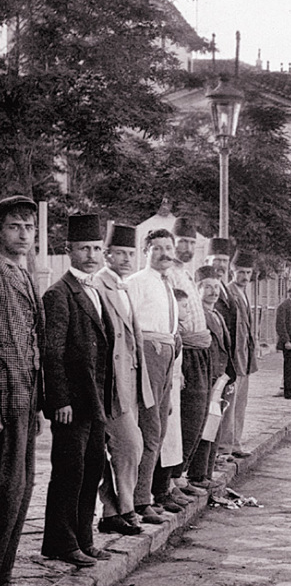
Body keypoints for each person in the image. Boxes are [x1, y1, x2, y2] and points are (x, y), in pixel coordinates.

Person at [41, 214, 115, 568]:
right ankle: (60, 541)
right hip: (73, 404)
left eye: (96, 248)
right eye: (84, 248)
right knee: (69, 472)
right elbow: (52, 351)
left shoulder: (95, 290)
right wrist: (60, 400)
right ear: (69, 251)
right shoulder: (59, 294)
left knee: (92, 470)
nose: (91, 254)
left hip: (96, 402)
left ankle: (83, 538)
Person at [93, 224, 151, 536]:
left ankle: (111, 512)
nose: (127, 259)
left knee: (124, 447)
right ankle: (124, 507)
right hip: (109, 384)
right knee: (129, 445)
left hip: (130, 383)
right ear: (108, 254)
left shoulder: (124, 286)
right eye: (120, 253)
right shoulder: (100, 285)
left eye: (131, 254)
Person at [0, 196, 45, 584]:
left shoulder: (24, 274)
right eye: (15, 226)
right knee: (6, 490)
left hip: (25, 398)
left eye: (29, 227)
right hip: (5, 399)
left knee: (22, 487)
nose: (24, 234)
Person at [125, 228, 180, 525]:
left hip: (167, 356)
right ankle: (139, 500)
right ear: (146, 251)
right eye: (156, 248)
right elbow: (128, 326)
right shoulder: (137, 283)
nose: (163, 253)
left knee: (159, 431)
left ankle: (145, 495)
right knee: (148, 432)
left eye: (167, 247)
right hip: (148, 355)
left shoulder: (166, 283)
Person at [167, 218, 210, 503]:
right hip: (184, 352)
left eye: (192, 243)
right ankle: (172, 480)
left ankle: (181, 476)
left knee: (198, 417)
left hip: (199, 350)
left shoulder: (188, 274)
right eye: (182, 242)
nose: (187, 248)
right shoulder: (169, 274)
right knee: (183, 419)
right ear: (173, 243)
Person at [186, 266, 235, 489]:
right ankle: (197, 475)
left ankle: (207, 473)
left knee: (215, 426)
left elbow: (226, 347)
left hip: (221, 377)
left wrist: (229, 377)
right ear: (197, 289)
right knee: (205, 426)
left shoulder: (217, 315)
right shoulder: (199, 317)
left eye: (216, 287)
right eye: (207, 287)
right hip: (208, 376)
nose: (213, 292)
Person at [216, 249, 257, 459]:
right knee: (229, 405)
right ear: (232, 270)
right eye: (241, 272)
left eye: (248, 273)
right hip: (233, 358)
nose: (245, 277)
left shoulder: (244, 293)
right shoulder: (229, 293)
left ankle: (236, 443)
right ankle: (225, 446)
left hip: (246, 358)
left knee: (241, 403)